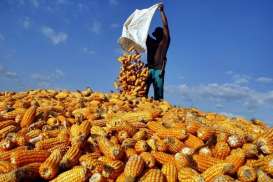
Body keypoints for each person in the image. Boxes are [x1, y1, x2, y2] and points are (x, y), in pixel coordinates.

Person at [146, 3, 170, 100]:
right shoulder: (151, 42)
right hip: (149, 69)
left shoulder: (164, 42)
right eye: (156, 34)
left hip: (159, 70)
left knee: (158, 95)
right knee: (142, 90)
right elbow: (143, 32)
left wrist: (161, 12)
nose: (157, 35)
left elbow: (165, 25)